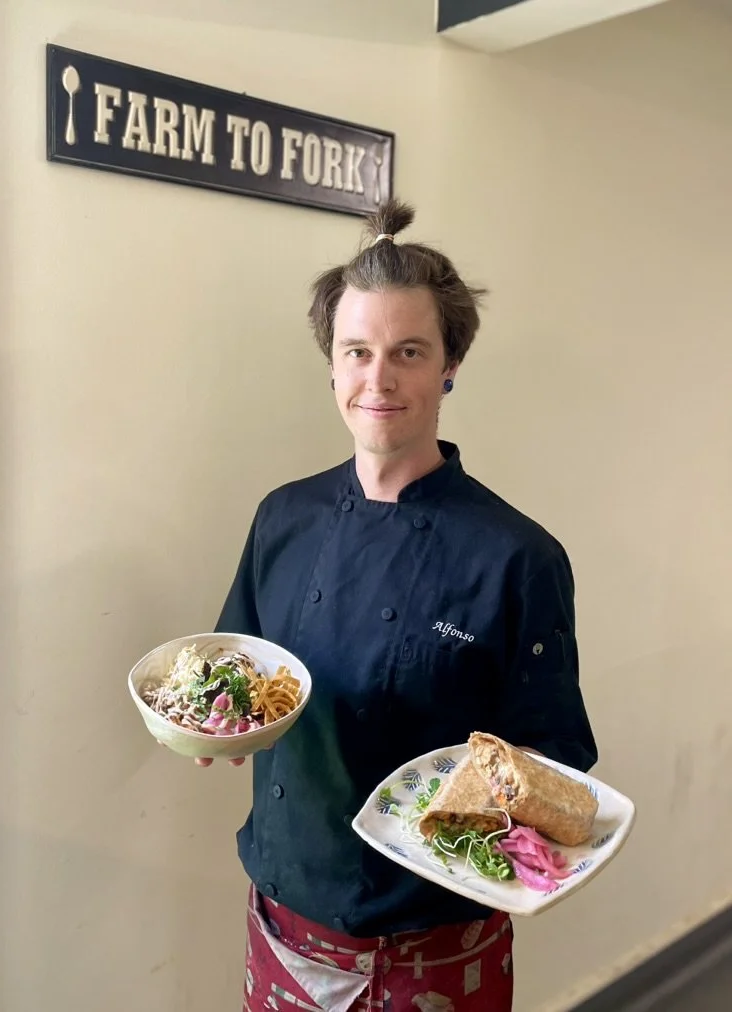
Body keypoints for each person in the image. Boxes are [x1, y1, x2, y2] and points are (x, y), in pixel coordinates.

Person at [200, 198, 597, 1011]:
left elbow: (556, 764)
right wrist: (221, 726)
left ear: (450, 364)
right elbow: (240, 669)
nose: (378, 379)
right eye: (358, 352)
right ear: (332, 367)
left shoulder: (517, 557)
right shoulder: (284, 516)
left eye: (408, 352)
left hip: (431, 947)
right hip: (280, 920)